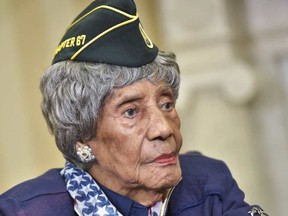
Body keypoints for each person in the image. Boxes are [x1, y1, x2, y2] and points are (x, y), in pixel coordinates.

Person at [0, 0, 268, 215]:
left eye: (166, 104)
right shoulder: (25, 210)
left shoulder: (209, 183)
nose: (164, 128)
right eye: (131, 111)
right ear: (82, 137)